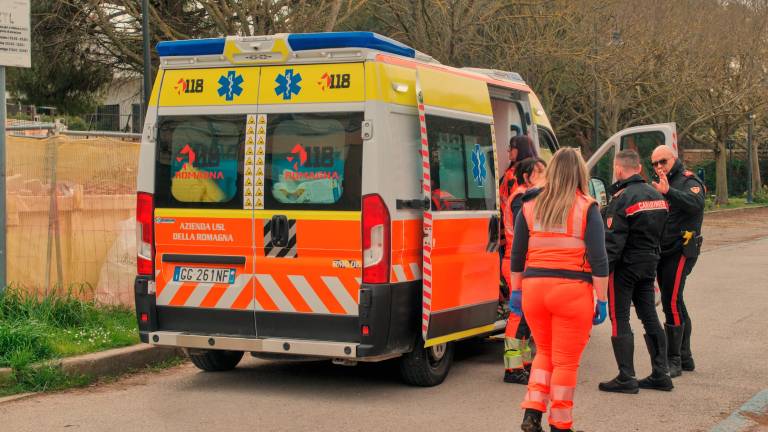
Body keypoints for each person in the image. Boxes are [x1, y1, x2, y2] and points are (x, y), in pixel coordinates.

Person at [510, 148, 609, 432]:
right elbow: (599, 259)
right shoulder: (586, 207)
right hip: (571, 290)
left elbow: (517, 254)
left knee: (544, 352)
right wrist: (601, 300)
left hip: (533, 289)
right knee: (565, 362)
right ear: (580, 173)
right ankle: (560, 424)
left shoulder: (530, 205)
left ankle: (532, 412)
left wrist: (516, 291)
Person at [598, 150, 673, 394]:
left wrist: (599, 273)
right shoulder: (656, 194)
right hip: (650, 261)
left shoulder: (622, 198)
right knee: (649, 315)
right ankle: (661, 373)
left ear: (619, 170)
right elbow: (664, 229)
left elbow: (613, 242)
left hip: (625, 266)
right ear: (639, 168)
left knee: (620, 317)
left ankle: (626, 377)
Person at [650, 145, 705, 377]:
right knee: (676, 301)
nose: (660, 167)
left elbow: (696, 204)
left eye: (663, 161)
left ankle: (674, 360)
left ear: (674, 158)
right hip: (663, 250)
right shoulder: (658, 185)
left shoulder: (687, 180)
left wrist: (668, 191)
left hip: (681, 249)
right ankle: (686, 356)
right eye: (655, 164)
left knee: (671, 301)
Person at [502, 157, 547, 384]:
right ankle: (512, 368)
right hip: (517, 262)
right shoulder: (521, 197)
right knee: (518, 314)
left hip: (524, 262)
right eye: (540, 172)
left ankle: (524, 362)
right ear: (527, 176)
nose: (545, 176)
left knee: (528, 316)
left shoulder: (528, 196)